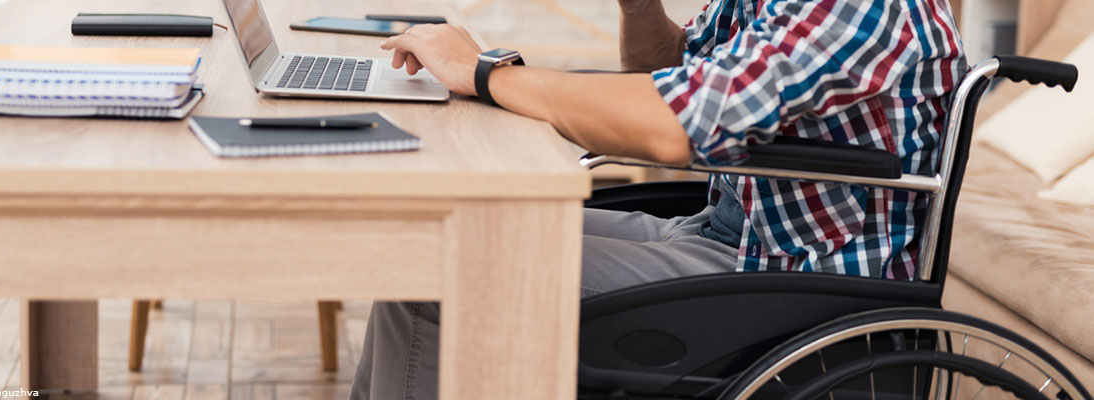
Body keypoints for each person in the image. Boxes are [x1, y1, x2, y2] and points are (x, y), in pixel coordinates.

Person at [350, 0, 966, 398]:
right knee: (441, 236)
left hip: (793, 279)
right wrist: (640, 5)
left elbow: (673, 123)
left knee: (442, 274)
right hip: (726, 231)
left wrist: (486, 73)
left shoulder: (859, 8)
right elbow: (669, 69)